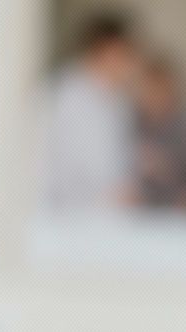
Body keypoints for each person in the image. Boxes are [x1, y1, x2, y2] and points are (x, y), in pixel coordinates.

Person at [37, 11, 140, 216]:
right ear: (109, 51)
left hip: (105, 225)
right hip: (66, 222)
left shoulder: (118, 103)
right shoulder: (63, 96)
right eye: (128, 54)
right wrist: (105, 199)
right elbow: (55, 172)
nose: (132, 64)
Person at [131, 52, 186, 213]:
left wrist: (168, 170)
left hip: (181, 214)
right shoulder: (132, 124)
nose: (155, 97)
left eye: (161, 89)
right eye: (150, 90)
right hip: (142, 216)